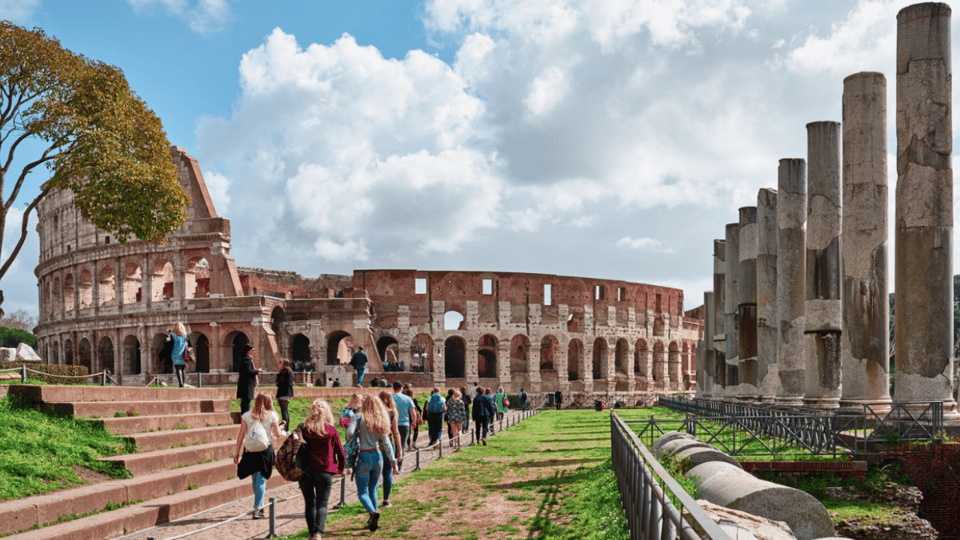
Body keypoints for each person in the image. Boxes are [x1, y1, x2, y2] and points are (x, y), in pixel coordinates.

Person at [346, 395, 397, 532]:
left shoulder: (358, 416)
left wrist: (357, 432)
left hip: (364, 455)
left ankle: (372, 513)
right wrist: (393, 462)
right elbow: (387, 443)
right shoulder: (380, 419)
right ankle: (372, 520)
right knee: (373, 489)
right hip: (378, 455)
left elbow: (349, 433)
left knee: (362, 493)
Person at [297, 399, 345, 540]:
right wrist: (340, 468)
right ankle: (318, 533)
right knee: (322, 505)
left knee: (309, 503)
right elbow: (341, 452)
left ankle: (312, 533)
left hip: (305, 472)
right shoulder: (331, 430)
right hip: (325, 471)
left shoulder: (303, 429)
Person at [233, 394, 282, 519]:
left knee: (256, 481)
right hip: (265, 451)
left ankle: (260, 504)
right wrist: (279, 428)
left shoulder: (247, 415)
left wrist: (237, 452)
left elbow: (241, 435)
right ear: (268, 403)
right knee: (261, 480)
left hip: (250, 451)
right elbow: (278, 434)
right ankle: (257, 509)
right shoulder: (272, 415)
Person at [377, 391, 403, 507]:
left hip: (374, 445)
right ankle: (386, 500)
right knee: (387, 472)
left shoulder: (373, 413)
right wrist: (399, 449)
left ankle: (372, 499)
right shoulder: (391, 412)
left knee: (375, 474)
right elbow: (396, 432)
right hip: (388, 444)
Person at [392, 381, 416, 460]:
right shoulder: (407, 398)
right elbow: (413, 413)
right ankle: (399, 466)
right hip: (404, 424)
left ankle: (393, 463)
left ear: (393, 388)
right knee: (402, 445)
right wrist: (414, 422)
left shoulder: (390, 397)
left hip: (392, 424)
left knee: (393, 444)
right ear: (401, 388)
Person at [237, 345, 262, 415]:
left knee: (246, 401)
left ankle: (244, 417)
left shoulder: (245, 359)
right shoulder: (246, 359)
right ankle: (245, 417)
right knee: (246, 401)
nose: (254, 352)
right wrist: (258, 371)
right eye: (253, 350)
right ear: (248, 351)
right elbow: (247, 371)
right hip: (246, 384)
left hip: (246, 383)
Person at [167, 323, 189, 387]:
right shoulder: (186, 335)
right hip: (184, 355)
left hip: (175, 354)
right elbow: (189, 344)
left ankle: (181, 384)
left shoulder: (173, 335)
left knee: (178, 369)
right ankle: (182, 384)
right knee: (182, 370)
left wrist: (167, 341)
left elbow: (170, 345)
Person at [275, 358, 294, 434]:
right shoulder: (282, 372)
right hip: (282, 393)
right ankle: (286, 429)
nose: (278, 364)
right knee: (284, 411)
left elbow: (288, 383)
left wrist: (280, 380)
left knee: (284, 411)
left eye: (280, 363)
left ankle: (285, 429)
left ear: (284, 364)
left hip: (285, 393)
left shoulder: (288, 372)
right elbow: (278, 382)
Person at [403, 385, 422, 450]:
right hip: (413, 416)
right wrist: (420, 415)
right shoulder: (413, 399)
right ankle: (414, 442)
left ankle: (408, 446)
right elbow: (418, 408)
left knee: (408, 432)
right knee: (415, 430)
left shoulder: (404, 399)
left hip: (407, 416)